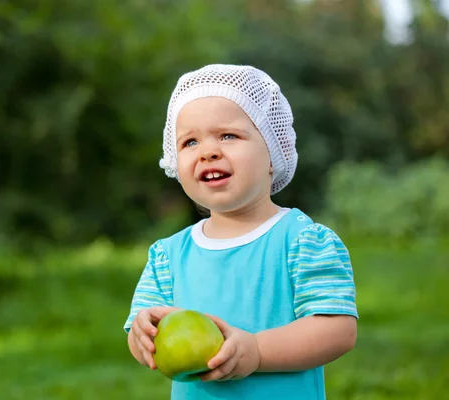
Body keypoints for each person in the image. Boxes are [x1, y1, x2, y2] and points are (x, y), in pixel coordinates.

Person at [123, 64, 358, 399]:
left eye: (228, 136)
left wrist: (257, 351)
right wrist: (143, 333)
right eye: (190, 142)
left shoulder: (303, 241)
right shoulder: (167, 256)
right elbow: (140, 334)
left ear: (273, 154)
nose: (208, 151)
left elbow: (338, 331)